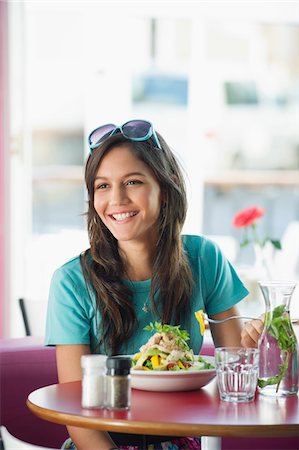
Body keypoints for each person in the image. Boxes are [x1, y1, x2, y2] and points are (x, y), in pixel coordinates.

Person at [45, 119, 261, 450]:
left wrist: (253, 349)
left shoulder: (204, 258)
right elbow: (79, 418)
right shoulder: (71, 282)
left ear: (167, 185)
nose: (116, 199)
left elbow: (235, 371)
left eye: (132, 182)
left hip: (182, 440)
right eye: (102, 186)